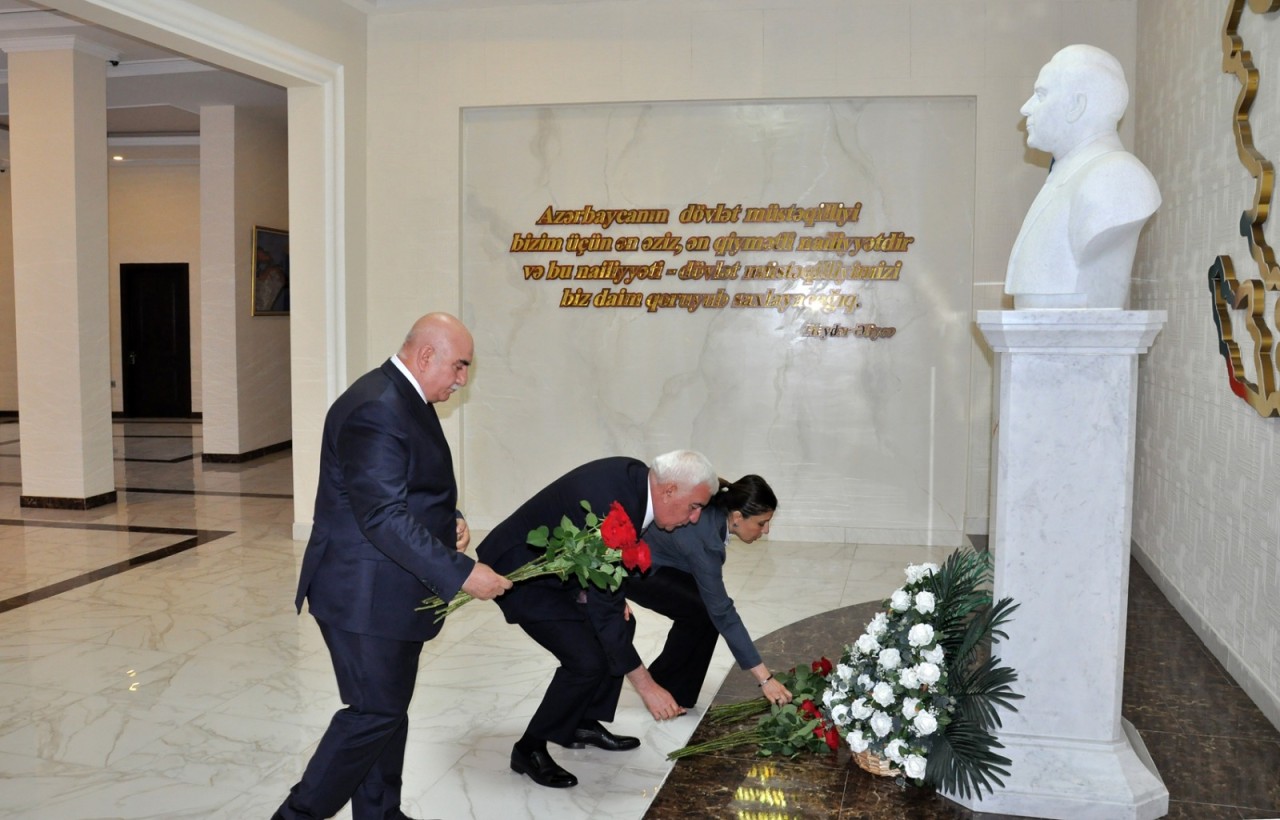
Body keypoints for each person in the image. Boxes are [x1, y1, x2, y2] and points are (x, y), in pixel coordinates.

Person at [274, 312, 512, 820]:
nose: (462, 379)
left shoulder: (406, 398)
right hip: (362, 595)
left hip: (390, 589)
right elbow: (381, 515)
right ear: (426, 356)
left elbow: (410, 488)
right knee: (372, 713)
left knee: (386, 712)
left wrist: (453, 519)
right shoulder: (376, 407)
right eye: (460, 366)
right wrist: (462, 571)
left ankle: (380, 812)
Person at [475, 450, 718, 789]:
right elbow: (604, 611)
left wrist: (604, 598)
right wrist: (648, 688)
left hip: (559, 569)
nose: (694, 518)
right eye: (695, 507)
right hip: (521, 573)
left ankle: (581, 723)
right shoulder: (614, 508)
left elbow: (603, 581)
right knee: (586, 660)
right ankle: (528, 749)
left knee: (622, 626)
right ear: (669, 490)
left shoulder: (636, 480)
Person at [1006, 44, 1161, 309]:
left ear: (1076, 105)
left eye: (1041, 95)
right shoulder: (1070, 174)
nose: (1026, 108)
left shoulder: (1117, 178)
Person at [625, 474, 794, 710]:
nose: (765, 530)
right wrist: (765, 679)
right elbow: (723, 612)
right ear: (736, 517)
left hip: (659, 559)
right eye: (761, 522)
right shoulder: (705, 542)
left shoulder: (715, 512)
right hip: (633, 569)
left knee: (703, 610)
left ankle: (668, 683)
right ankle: (667, 686)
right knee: (707, 610)